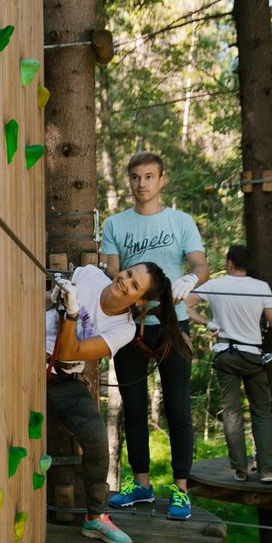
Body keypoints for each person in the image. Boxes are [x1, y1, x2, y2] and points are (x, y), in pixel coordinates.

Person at [46, 261, 184, 543]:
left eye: (135, 286)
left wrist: (71, 314)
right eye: (129, 273)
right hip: (23, 355)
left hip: (61, 376)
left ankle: (95, 517)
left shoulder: (124, 330)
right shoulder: (88, 275)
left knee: (96, 436)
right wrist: (52, 297)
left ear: (140, 301)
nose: (125, 281)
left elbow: (70, 352)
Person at [102, 151, 208, 520]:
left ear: (162, 181)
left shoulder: (181, 221)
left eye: (149, 176)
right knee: (133, 407)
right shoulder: (115, 224)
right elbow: (111, 272)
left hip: (172, 324)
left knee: (178, 407)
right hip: (129, 326)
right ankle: (141, 485)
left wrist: (191, 279)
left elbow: (200, 263)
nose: (142, 182)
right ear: (129, 181)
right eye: (135, 176)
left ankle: (180, 490)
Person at [184, 244, 272, 483]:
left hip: (225, 354)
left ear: (229, 263)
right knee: (261, 412)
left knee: (232, 413)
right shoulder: (261, 287)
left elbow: (184, 305)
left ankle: (239, 469)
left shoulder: (216, 285)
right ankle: (268, 469)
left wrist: (208, 323)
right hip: (252, 356)